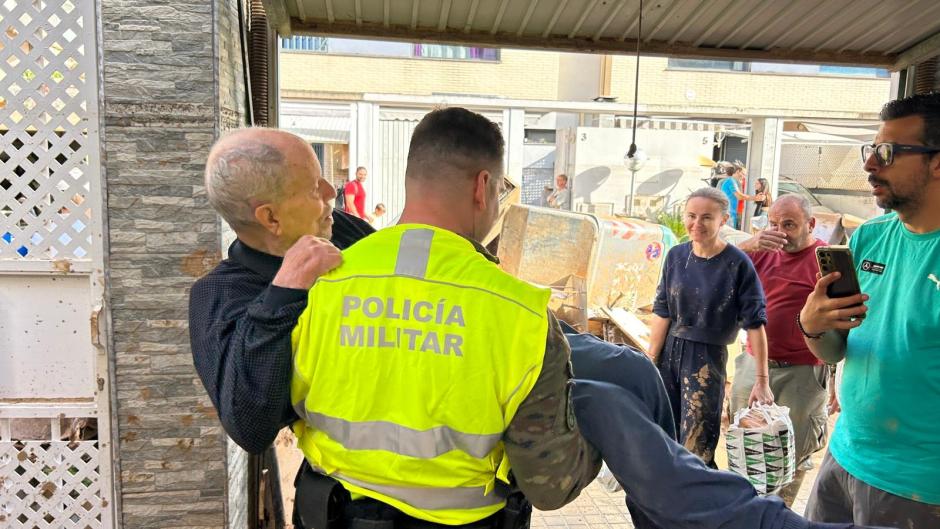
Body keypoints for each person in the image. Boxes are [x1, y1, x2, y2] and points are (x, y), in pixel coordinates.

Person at [191, 119, 886, 529]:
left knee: (624, 377)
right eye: (313, 187)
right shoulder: (268, 298)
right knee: (606, 398)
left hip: (361, 487)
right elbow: (251, 419)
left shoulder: (340, 264)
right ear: (482, 188)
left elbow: (412, 276)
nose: (330, 194)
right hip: (427, 505)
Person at [799, 93, 940, 528]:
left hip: (917, 486)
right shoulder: (868, 239)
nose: (870, 165)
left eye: (888, 153)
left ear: (937, 163)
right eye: (871, 151)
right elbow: (833, 352)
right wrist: (812, 326)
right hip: (843, 458)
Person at [189, 128, 374, 454]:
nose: (332, 191)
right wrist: (284, 293)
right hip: (343, 480)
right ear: (271, 218)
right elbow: (250, 428)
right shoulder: (221, 295)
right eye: (314, 189)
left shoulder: (341, 230)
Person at [647, 187, 774, 467]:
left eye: (707, 217)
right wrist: (650, 359)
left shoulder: (737, 263)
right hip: (670, 353)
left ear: (723, 220)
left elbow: (755, 324)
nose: (697, 224)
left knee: (697, 444)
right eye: (691, 216)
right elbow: (662, 310)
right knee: (663, 434)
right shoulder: (676, 256)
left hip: (707, 358)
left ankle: (695, 502)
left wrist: (762, 381)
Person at [733, 194, 830, 506]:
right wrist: (749, 244)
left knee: (791, 455)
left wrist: (837, 379)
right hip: (753, 365)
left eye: (789, 224)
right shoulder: (760, 251)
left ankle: (779, 517)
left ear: (810, 225)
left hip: (803, 370)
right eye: (774, 223)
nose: (780, 232)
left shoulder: (824, 259)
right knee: (746, 447)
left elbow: (845, 320)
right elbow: (708, 264)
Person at [720, 164, 764, 230]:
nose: (744, 177)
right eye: (743, 174)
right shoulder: (731, 181)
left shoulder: (732, 181)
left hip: (729, 214)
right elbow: (739, 196)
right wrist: (755, 198)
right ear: (738, 171)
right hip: (729, 214)